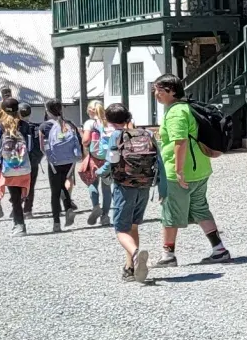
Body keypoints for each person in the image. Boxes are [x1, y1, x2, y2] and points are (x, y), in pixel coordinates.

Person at [152, 75, 231, 267]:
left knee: (170, 212)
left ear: (171, 91)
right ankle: (219, 249)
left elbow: (180, 141)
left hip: (179, 172)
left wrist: (178, 171)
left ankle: (168, 255)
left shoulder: (176, 113)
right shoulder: (187, 108)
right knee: (200, 208)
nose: (156, 95)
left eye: (159, 90)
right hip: (200, 169)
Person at [98, 101, 157, 282]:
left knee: (121, 229)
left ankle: (135, 254)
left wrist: (100, 172)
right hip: (145, 184)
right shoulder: (146, 133)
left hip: (124, 186)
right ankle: (130, 268)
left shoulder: (116, 136)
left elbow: (111, 160)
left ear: (108, 120)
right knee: (133, 226)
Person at [0, 98, 35, 234]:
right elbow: (31, 146)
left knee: (14, 196)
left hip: (8, 165)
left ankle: (19, 225)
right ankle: (20, 221)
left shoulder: (1, 126)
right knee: (22, 193)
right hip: (24, 165)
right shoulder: (25, 125)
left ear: (3, 110)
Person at [40, 102, 84, 230]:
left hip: (54, 162)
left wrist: (49, 157)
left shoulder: (44, 126)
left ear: (48, 111)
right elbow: (79, 142)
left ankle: (56, 223)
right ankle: (68, 207)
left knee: (55, 191)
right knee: (61, 185)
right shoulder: (70, 124)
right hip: (70, 161)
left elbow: (42, 147)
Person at [80, 99, 109, 225]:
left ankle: (96, 206)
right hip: (109, 158)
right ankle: (105, 216)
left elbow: (85, 141)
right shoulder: (109, 122)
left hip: (94, 157)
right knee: (107, 187)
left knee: (92, 182)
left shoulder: (90, 123)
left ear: (90, 111)